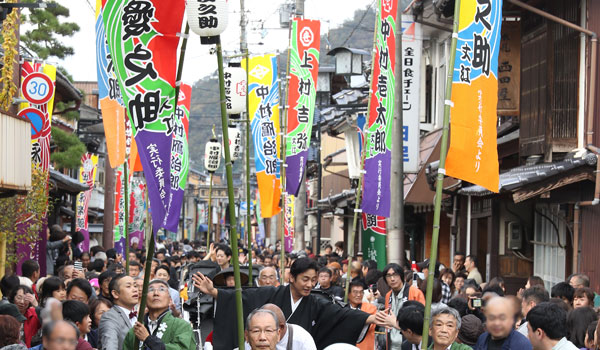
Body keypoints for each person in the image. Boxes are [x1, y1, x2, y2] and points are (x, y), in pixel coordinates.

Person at [193, 258, 379, 349]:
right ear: (292, 277)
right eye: (305, 279)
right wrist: (214, 292)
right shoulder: (271, 293)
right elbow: (244, 298)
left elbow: (340, 315)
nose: (309, 284)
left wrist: (370, 317)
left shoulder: (315, 302)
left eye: (313, 280)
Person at [123, 279, 196, 350]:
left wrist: (148, 339)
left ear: (170, 300)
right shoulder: (135, 331)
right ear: (144, 300)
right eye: (151, 290)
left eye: (161, 289)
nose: (156, 293)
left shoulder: (182, 326)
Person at [376, 263, 425, 350]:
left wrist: (396, 324)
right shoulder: (388, 295)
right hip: (391, 343)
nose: (392, 279)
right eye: (388, 276)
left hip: (410, 343)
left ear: (401, 276)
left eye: (395, 275)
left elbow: (421, 321)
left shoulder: (415, 292)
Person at [245, 304, 317, 350]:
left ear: (278, 333)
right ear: (247, 335)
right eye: (256, 331)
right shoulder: (246, 345)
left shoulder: (301, 338)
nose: (262, 337)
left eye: (268, 330)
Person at [98, 275, 139, 350]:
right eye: (128, 286)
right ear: (115, 294)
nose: (135, 290)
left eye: (135, 286)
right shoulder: (110, 317)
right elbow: (109, 346)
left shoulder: (139, 316)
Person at [347, 280, 377, 350]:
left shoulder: (370, 308)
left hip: (364, 346)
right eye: (355, 292)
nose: (358, 295)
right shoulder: (342, 309)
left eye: (361, 292)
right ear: (348, 294)